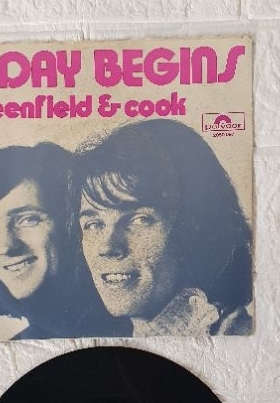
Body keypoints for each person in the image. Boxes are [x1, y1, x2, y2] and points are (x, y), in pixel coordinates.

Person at [72, 120, 252, 337]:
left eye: (139, 220)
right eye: (94, 224)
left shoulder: (235, 334)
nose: (107, 247)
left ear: (195, 228)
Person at [0, 143, 118, 339]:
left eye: (28, 219)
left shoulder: (131, 329)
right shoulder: (18, 347)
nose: (7, 246)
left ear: (70, 223)